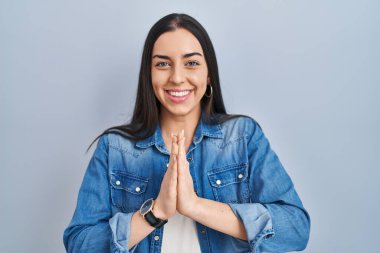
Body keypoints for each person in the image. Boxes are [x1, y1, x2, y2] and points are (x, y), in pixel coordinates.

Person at [63, 13, 310, 253]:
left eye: (191, 63)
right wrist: (156, 212)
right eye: (163, 64)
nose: (177, 77)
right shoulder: (115, 147)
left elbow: (296, 229)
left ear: (209, 72)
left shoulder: (242, 137)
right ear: (149, 75)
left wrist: (195, 206)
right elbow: (79, 244)